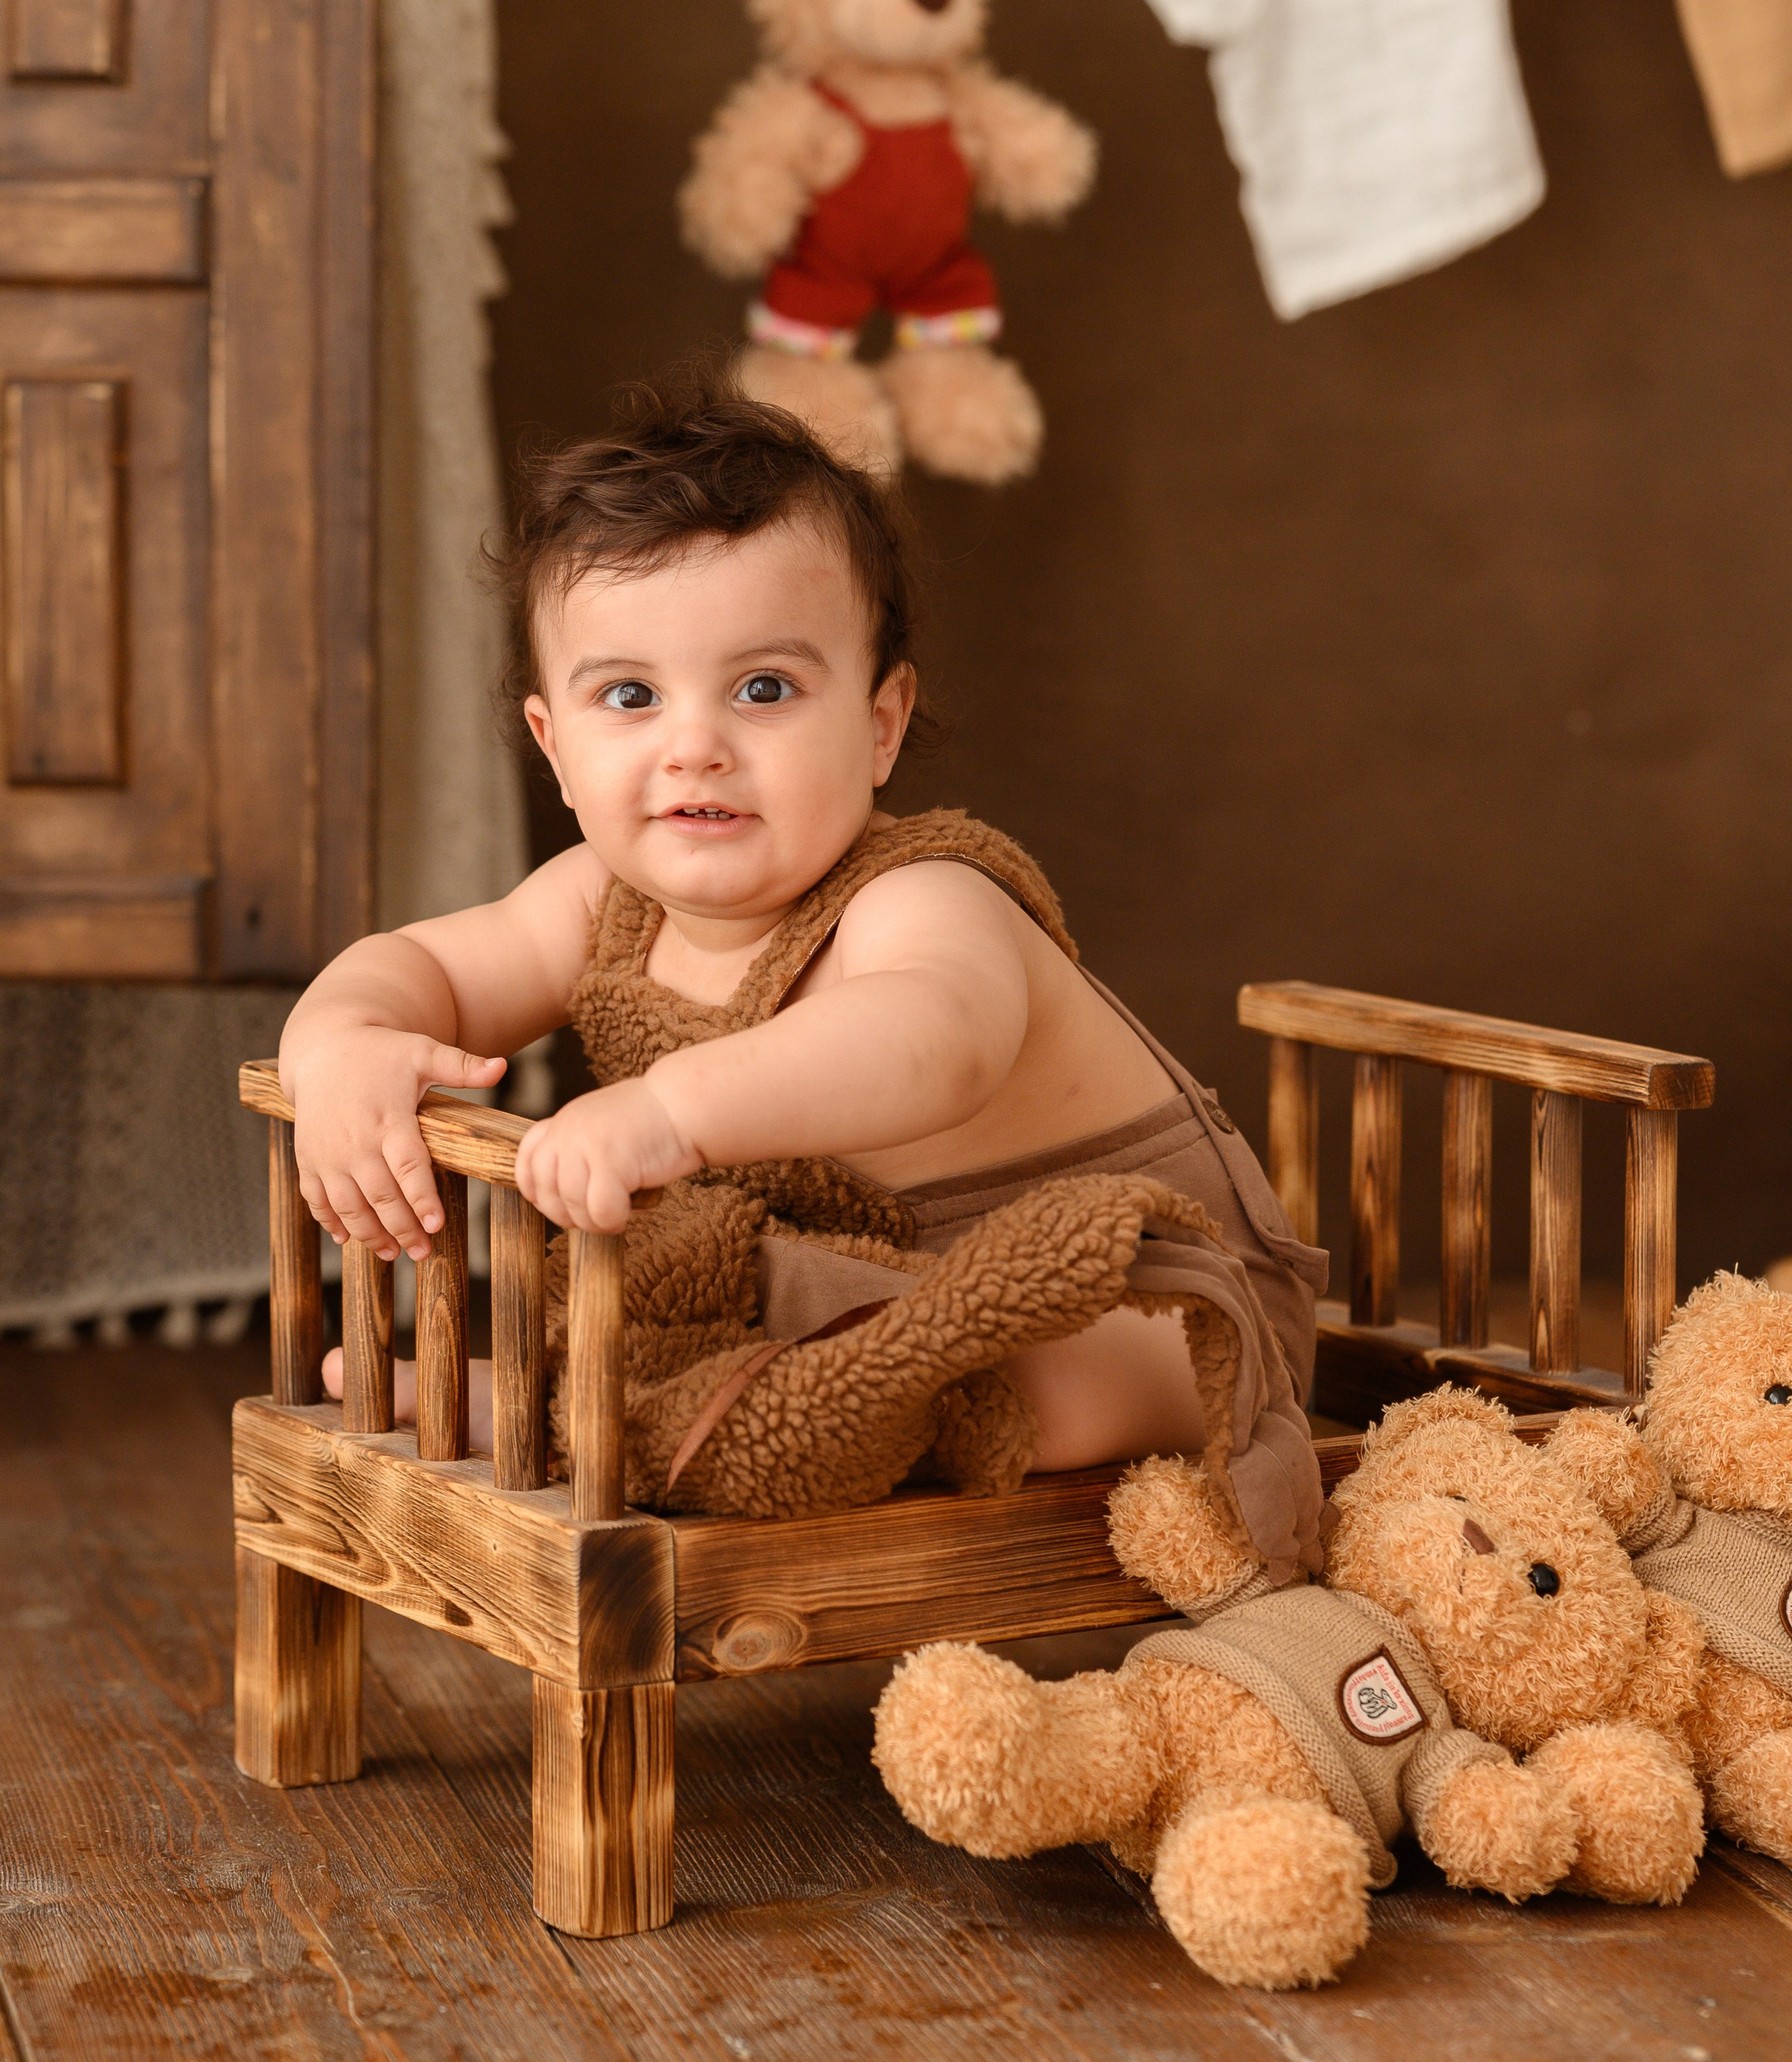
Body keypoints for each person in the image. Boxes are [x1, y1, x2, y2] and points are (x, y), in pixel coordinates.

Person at [280, 380, 1323, 1517]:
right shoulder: (599, 899)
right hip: (862, 1299)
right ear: (555, 749)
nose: (695, 748)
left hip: (1144, 1302)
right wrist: (341, 1042)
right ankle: (615, 1410)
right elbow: (424, 968)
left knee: (985, 1376)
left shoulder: (924, 893)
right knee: (750, 1329)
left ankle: (587, 1424)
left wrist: (675, 1111)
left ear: (879, 725)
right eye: (629, 695)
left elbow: (932, 1041)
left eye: (763, 689)